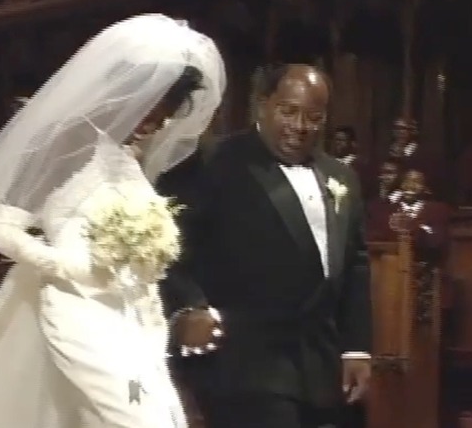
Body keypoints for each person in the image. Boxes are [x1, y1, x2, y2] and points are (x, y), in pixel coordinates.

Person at [0, 14, 225, 428]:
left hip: (127, 312)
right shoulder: (66, 144)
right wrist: (61, 264)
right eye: (151, 113)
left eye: (161, 119)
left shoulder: (128, 157)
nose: (153, 127)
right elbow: (3, 229)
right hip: (73, 305)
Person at [158, 63, 372, 428]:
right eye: (288, 111)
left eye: (313, 117)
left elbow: (355, 265)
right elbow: (168, 246)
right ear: (262, 105)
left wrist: (357, 348)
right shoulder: (215, 162)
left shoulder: (342, 176)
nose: (299, 126)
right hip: (245, 364)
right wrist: (190, 308)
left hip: (324, 366)